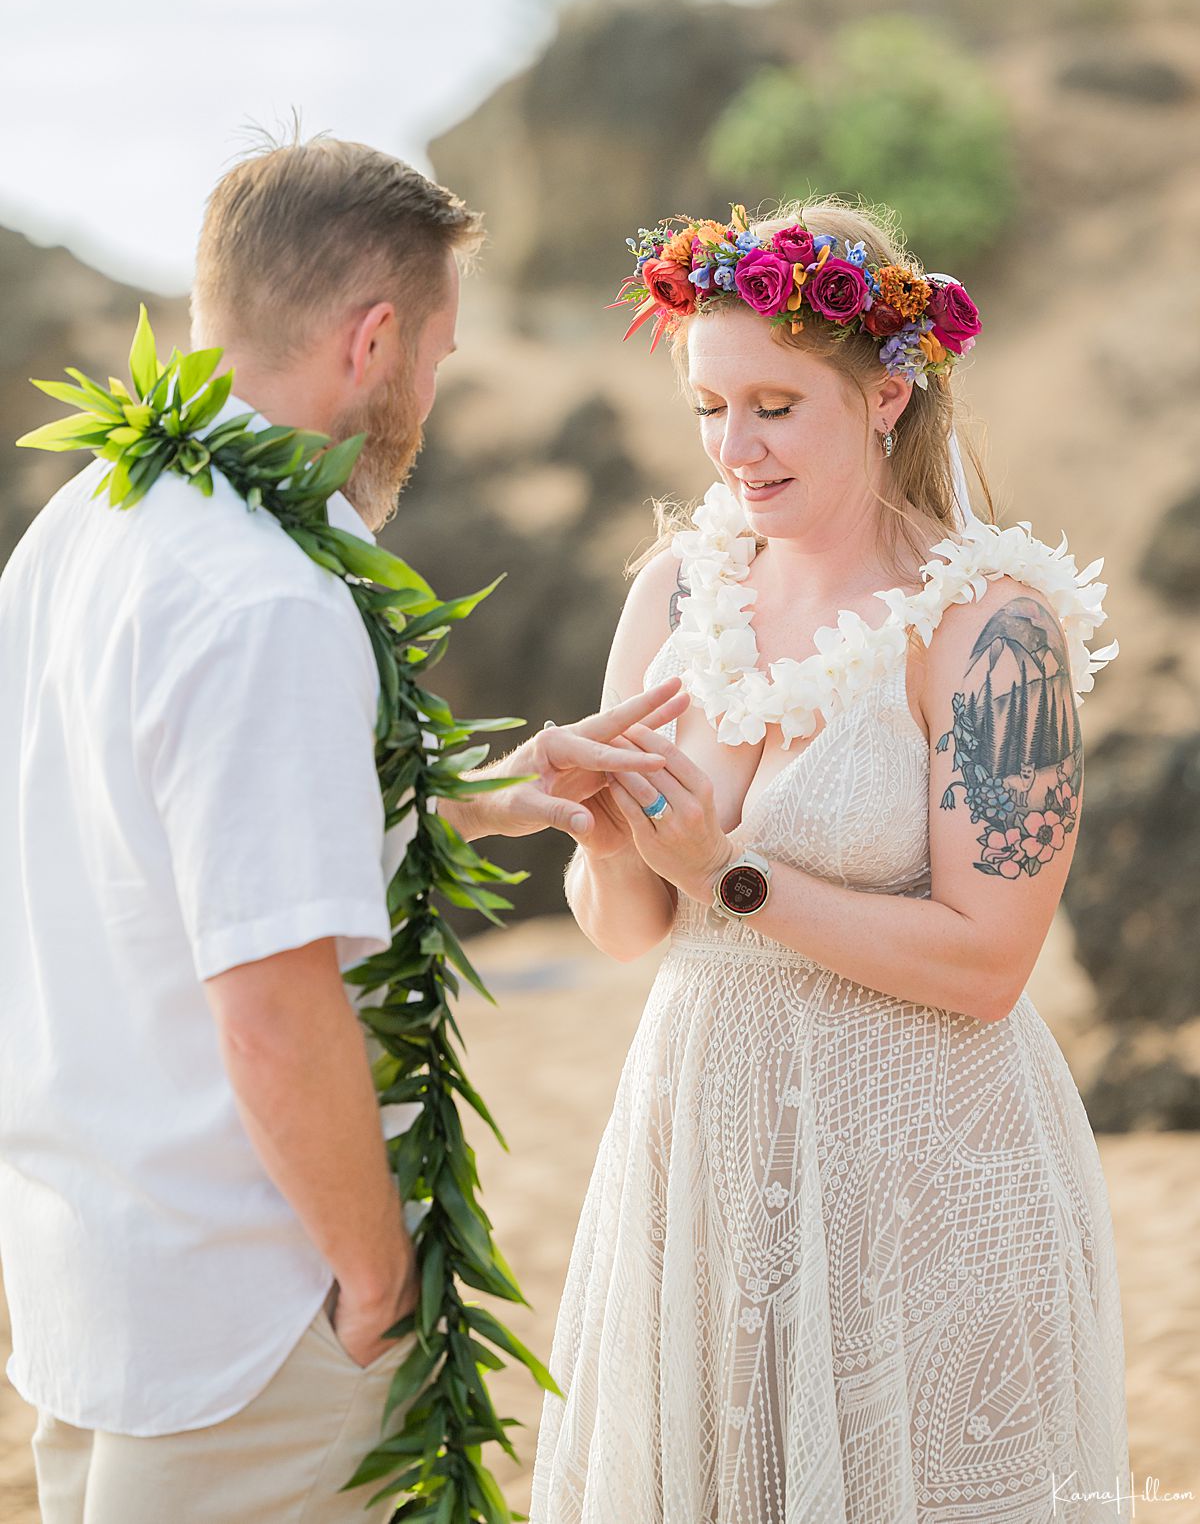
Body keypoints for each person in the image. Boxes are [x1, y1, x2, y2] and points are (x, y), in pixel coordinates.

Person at [0, 136, 685, 1524]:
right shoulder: (268, 603)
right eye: (435, 351)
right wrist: (376, 1284)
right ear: (372, 342)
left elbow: (147, 834)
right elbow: (268, 1000)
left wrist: (482, 790)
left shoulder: (81, 527)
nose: (432, 391)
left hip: (91, 1291)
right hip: (254, 1319)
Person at [530, 198, 1129, 1522]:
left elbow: (988, 962)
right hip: (705, 1139)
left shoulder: (993, 633)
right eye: (707, 406)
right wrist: (601, 835)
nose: (732, 449)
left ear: (886, 393)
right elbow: (630, 930)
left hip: (924, 1161)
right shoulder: (672, 596)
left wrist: (730, 872)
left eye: (774, 406)